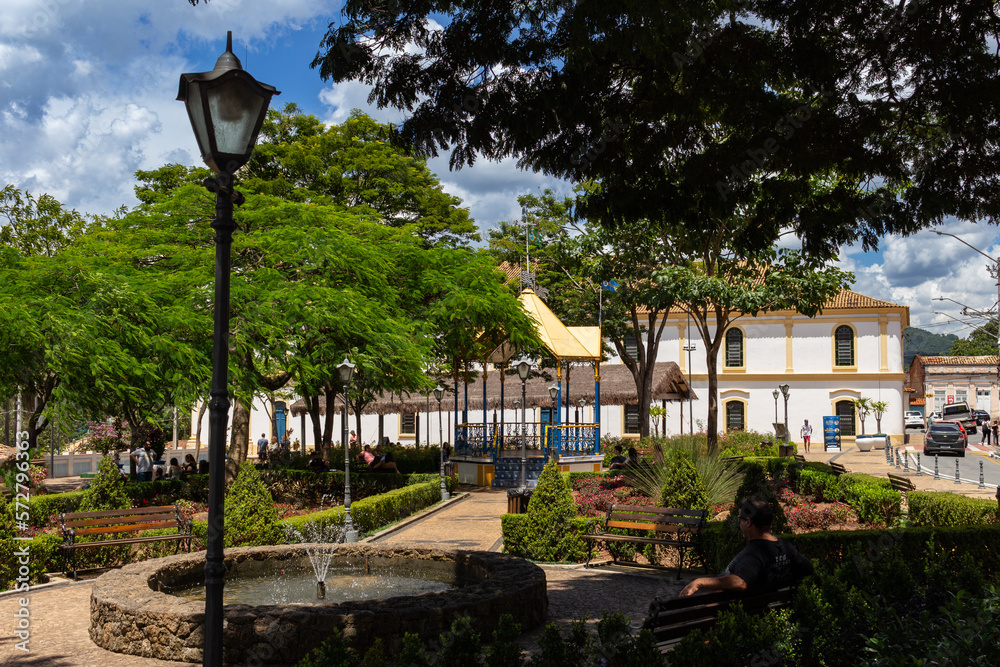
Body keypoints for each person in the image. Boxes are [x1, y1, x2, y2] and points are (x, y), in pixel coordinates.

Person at [680, 498, 814, 598]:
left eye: (740, 519)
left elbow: (741, 582)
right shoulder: (785, 546)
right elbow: (807, 567)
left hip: (744, 617)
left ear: (748, 522)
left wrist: (699, 582)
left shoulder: (754, 554)